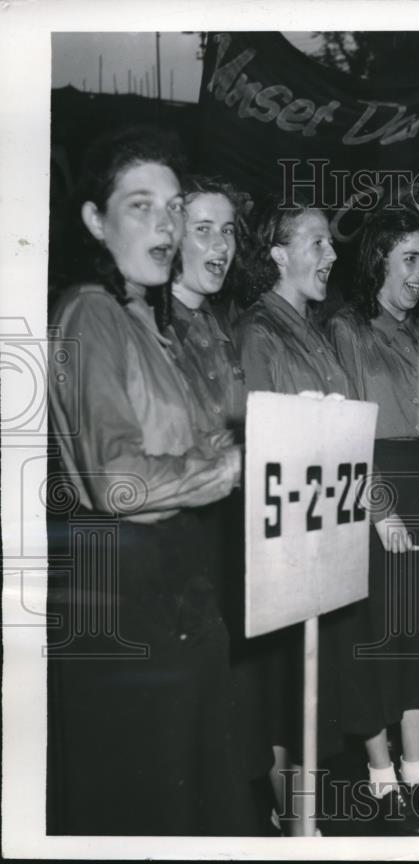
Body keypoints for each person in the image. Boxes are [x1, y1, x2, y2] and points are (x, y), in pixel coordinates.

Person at [46, 126, 254, 835]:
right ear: (94, 222)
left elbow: (194, 438)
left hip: (175, 586)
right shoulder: (90, 312)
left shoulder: (142, 317)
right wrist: (224, 467)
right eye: (141, 206)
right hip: (125, 593)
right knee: (147, 805)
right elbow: (117, 481)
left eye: (172, 209)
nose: (165, 226)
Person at [326, 205, 419, 829]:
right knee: (376, 633)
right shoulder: (348, 328)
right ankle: (380, 769)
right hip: (375, 489)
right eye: (409, 258)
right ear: (378, 259)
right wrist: (379, 509)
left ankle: (415, 763)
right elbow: (346, 429)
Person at [235, 197, 359, 835]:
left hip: (322, 531)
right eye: (317, 242)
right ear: (278, 253)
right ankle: (294, 825)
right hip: (288, 538)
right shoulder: (261, 329)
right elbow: (267, 446)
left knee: (310, 685)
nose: (331, 254)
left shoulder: (312, 323)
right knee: (287, 687)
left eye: (332, 244)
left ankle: (304, 818)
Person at [167, 176, 277, 828]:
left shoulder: (216, 321)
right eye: (203, 228)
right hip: (185, 543)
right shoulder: (151, 327)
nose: (220, 244)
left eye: (227, 229)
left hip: (232, 533)